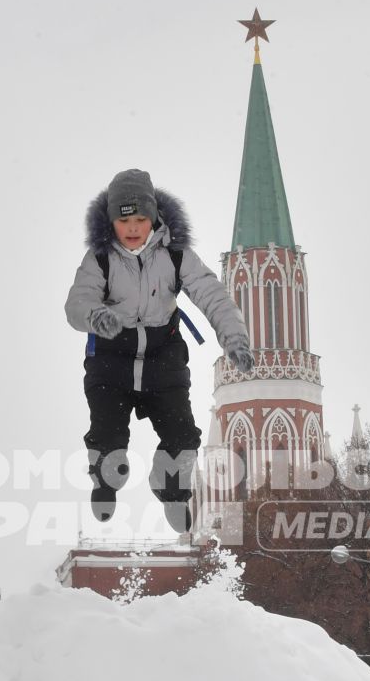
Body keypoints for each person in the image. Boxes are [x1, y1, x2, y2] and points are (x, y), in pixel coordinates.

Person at [64, 168, 254, 534]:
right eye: (124, 220)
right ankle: (107, 481)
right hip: (110, 364)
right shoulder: (100, 259)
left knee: (183, 434)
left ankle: (172, 492)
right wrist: (96, 316)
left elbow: (212, 295)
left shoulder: (177, 255)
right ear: (111, 222)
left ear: (154, 218)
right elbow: (77, 301)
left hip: (163, 364)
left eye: (141, 219)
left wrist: (234, 337)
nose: (133, 228)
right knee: (107, 435)